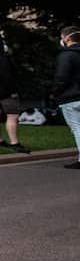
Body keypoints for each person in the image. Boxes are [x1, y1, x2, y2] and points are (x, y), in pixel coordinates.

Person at [54, 25, 80, 169]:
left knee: (77, 128)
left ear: (68, 37)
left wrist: (55, 92)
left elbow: (61, 77)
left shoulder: (66, 55)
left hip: (71, 98)